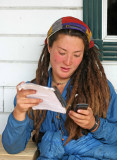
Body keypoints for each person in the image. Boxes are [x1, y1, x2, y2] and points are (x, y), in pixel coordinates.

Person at [2, 16, 117, 160]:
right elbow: (12, 148)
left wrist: (94, 125)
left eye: (76, 55)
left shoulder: (100, 88)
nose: (68, 62)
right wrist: (19, 112)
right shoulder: (33, 92)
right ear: (49, 47)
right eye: (62, 52)